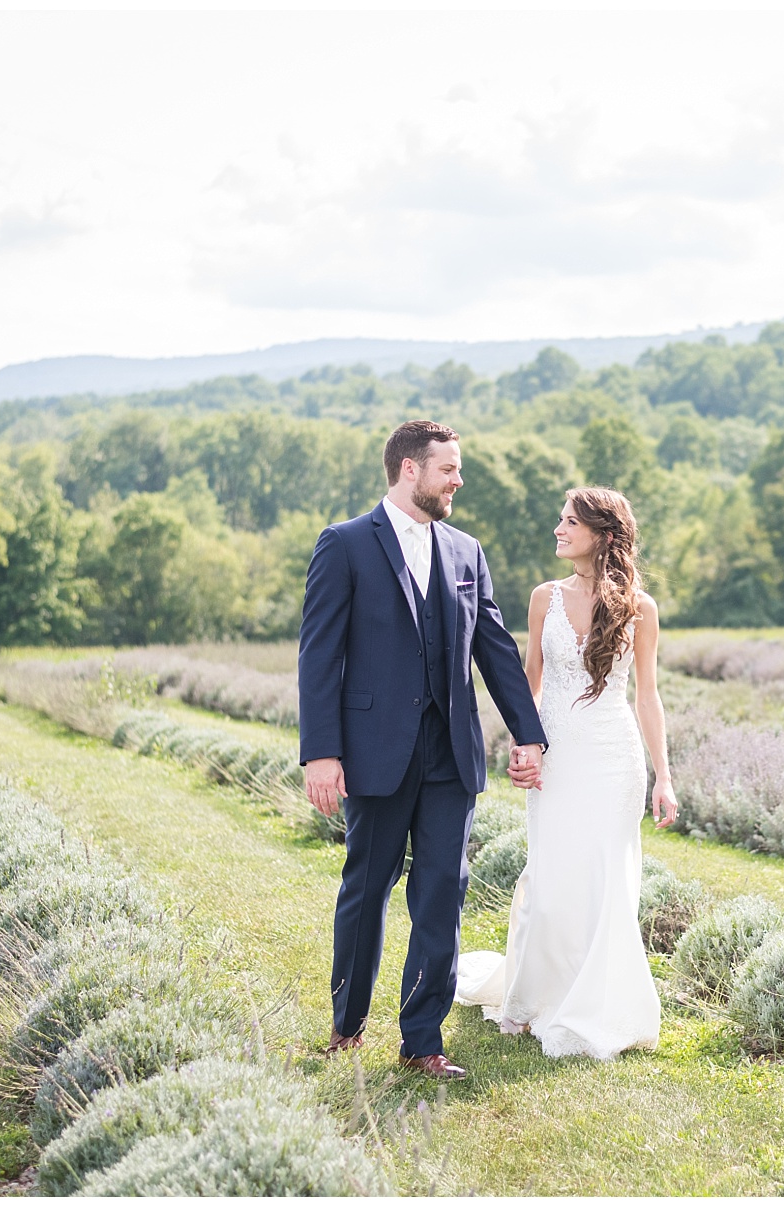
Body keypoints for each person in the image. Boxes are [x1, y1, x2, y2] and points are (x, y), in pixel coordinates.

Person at [297, 419, 549, 1081]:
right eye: (449, 469)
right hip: (374, 751)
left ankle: (421, 1040)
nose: (458, 480)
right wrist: (321, 752)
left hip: (450, 756)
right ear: (410, 469)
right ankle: (347, 1026)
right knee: (366, 889)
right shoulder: (345, 544)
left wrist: (528, 733)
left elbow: (494, 648)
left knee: (441, 894)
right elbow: (319, 655)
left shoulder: (467, 551)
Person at [454, 486, 680, 1059]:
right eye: (560, 520)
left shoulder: (641, 608)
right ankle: (536, 997)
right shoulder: (544, 598)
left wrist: (664, 776)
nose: (558, 529)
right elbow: (528, 682)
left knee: (606, 884)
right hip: (557, 759)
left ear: (603, 535)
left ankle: (597, 1009)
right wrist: (522, 745)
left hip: (613, 759)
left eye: (570, 522)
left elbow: (647, 697)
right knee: (552, 880)